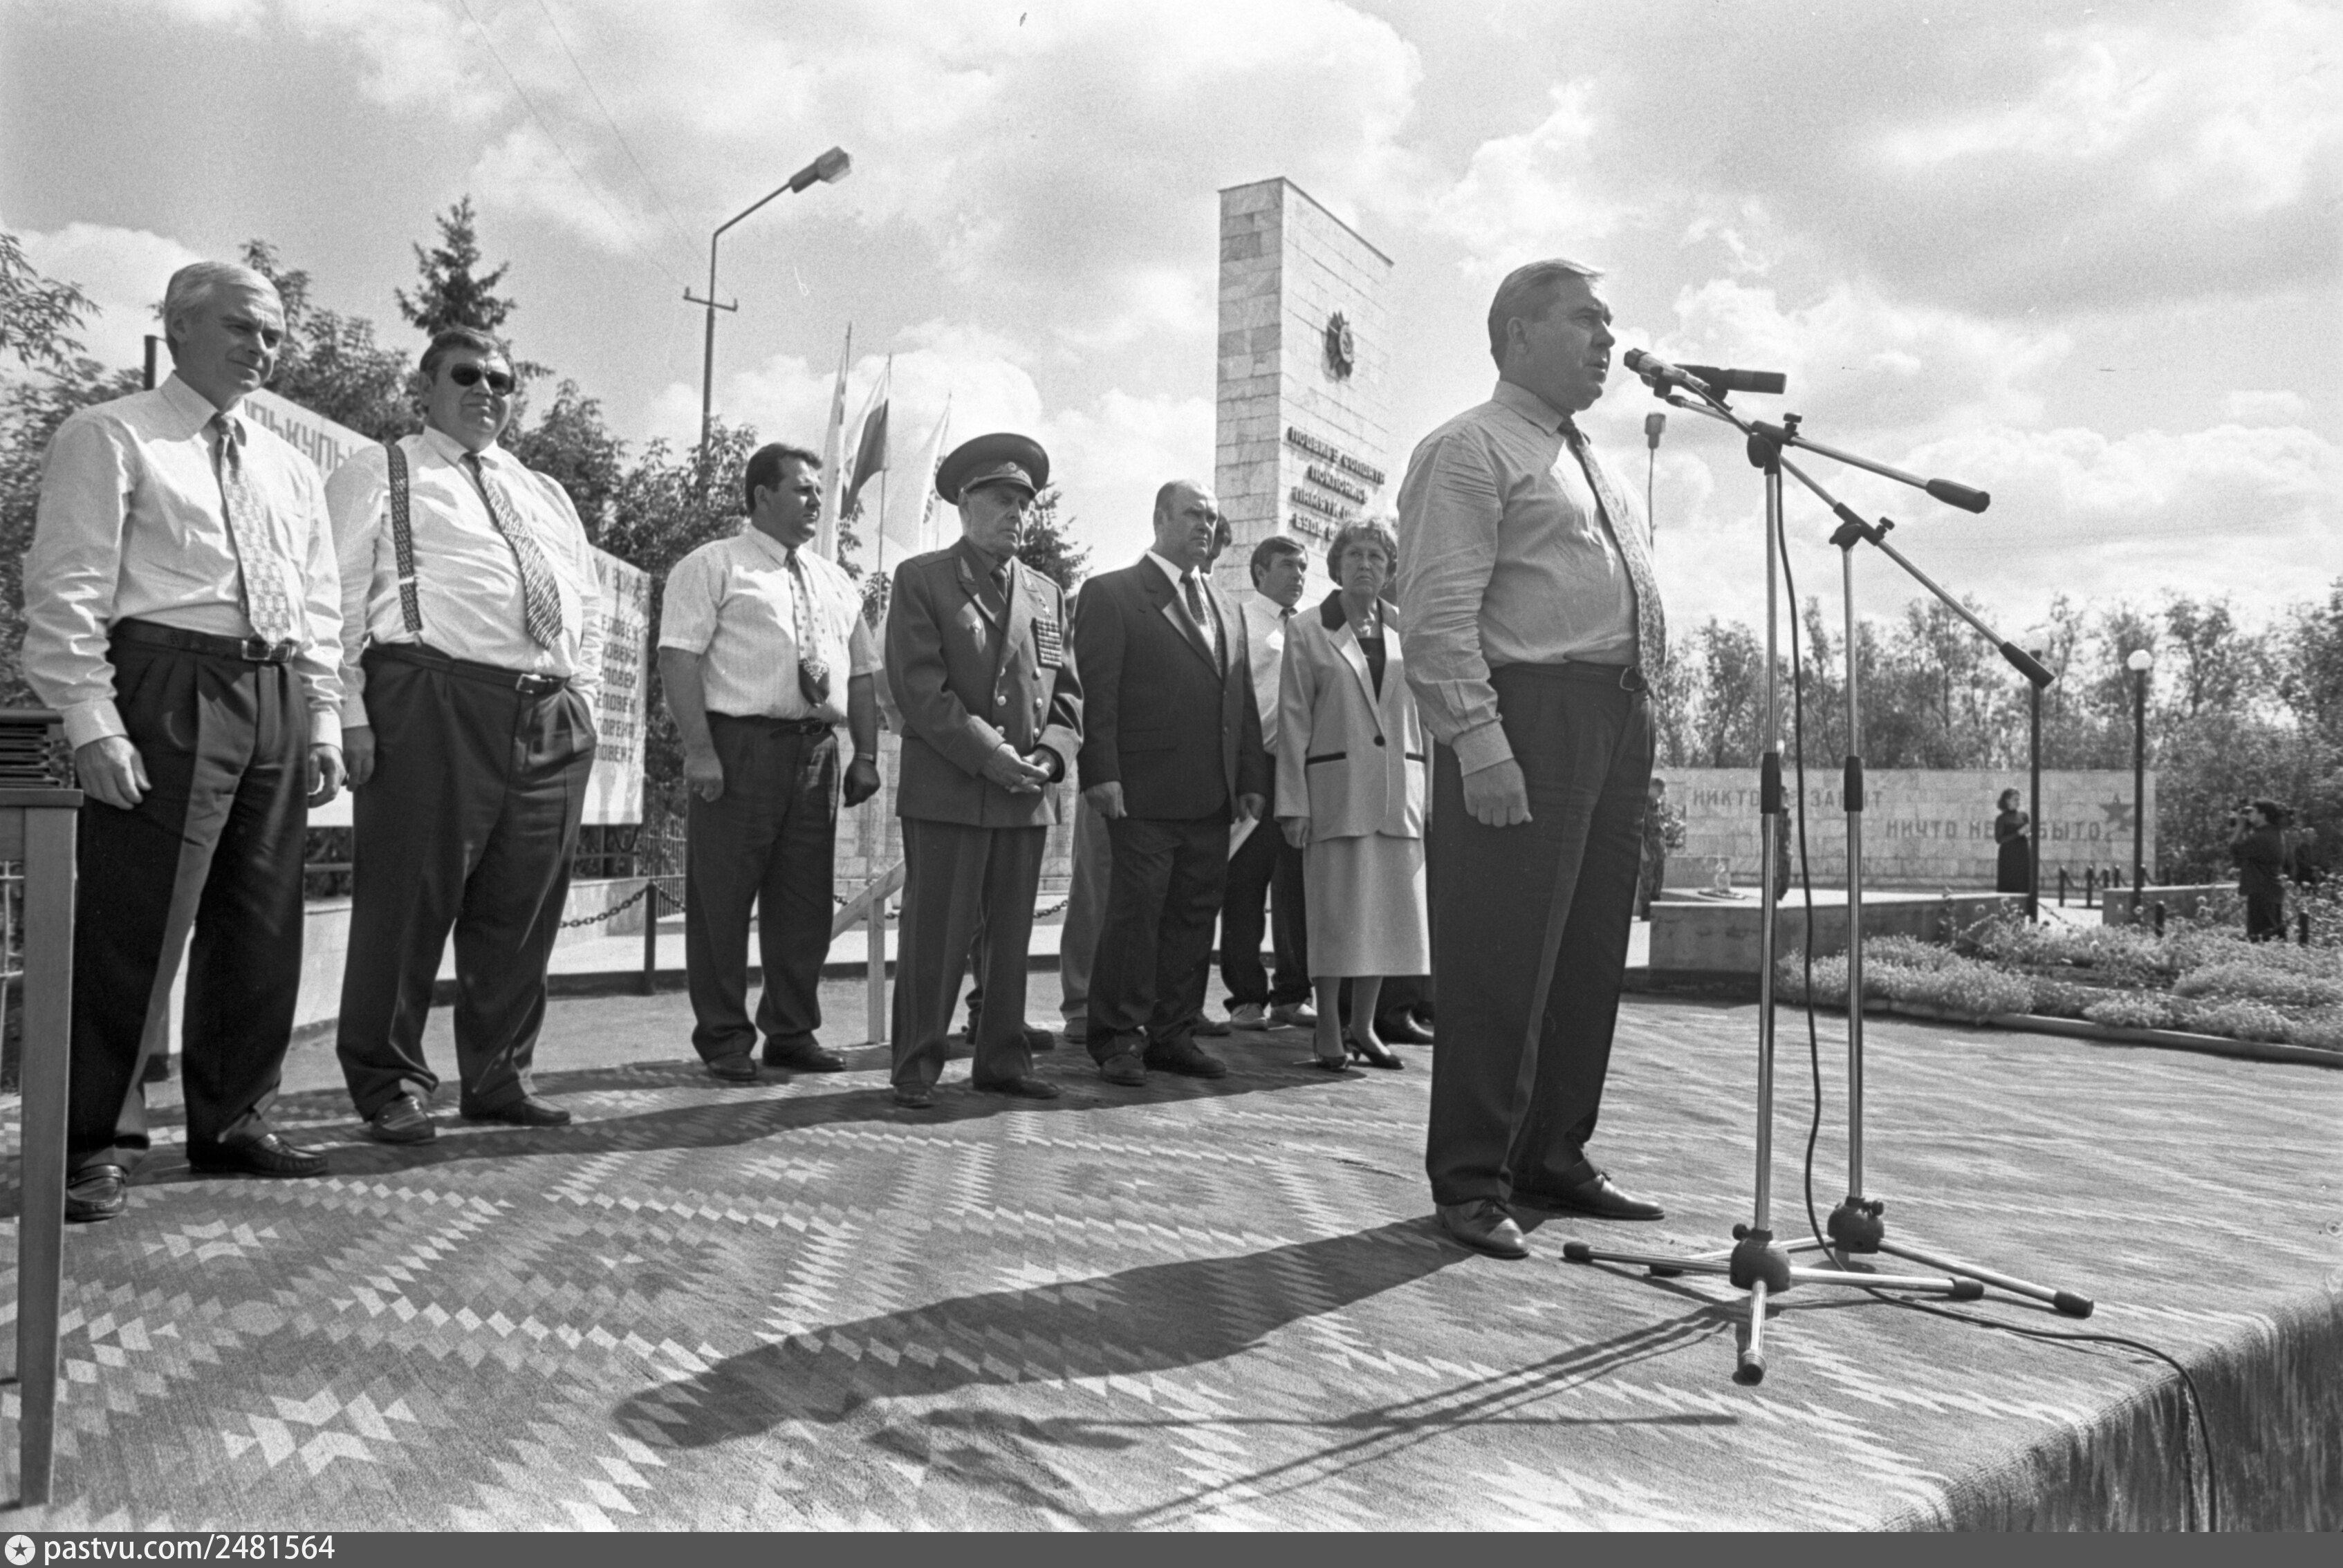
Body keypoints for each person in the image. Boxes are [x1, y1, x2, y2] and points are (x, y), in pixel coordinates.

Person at [24, 261, 346, 1223]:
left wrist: (322, 715)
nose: (263, 348)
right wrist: (92, 721)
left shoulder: (289, 466)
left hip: (274, 690)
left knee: (262, 922)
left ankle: (234, 1117)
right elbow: (68, 590)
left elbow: (318, 601)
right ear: (179, 327)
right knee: (135, 925)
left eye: (275, 334)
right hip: (167, 684)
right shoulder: (111, 434)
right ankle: (92, 1140)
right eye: (244, 327)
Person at [1398, 257, 1668, 1260]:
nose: (1607, 340)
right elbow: (1435, 618)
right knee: (1500, 962)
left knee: (1589, 957)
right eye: (1586, 319)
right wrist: (1480, 744)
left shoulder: (1587, 459)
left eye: (1610, 321)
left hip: (1614, 719)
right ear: (1517, 333)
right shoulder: (1468, 448)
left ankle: (1553, 1152)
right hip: (1526, 717)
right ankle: (1473, 1178)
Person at [326, 328, 604, 1143]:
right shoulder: (382, 469)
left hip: (548, 709)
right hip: (432, 695)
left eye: (503, 380)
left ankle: (499, 1076)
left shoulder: (544, 491)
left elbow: (585, 603)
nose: (487, 389)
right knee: (408, 903)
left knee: (524, 907)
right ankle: (389, 1082)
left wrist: (583, 701)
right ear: (426, 387)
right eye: (467, 374)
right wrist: (346, 711)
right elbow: (334, 596)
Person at [659, 444, 882, 1083]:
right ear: (762, 495)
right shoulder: (713, 565)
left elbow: (861, 673)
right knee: (722, 901)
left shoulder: (836, 580)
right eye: (803, 488)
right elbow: (678, 658)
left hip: (816, 752)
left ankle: (792, 1030)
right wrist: (701, 751)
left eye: (818, 490)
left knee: (803, 904)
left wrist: (865, 754)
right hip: (740, 747)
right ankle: (725, 1038)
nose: (817, 500)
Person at [884, 434, 1082, 1109]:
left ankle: (1001, 1060)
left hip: (1024, 793)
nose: (1016, 514)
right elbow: (919, 688)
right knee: (935, 937)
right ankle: (916, 1067)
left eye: (1024, 503)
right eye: (1001, 499)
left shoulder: (1046, 593)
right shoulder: (923, 578)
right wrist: (987, 752)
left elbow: (1068, 697)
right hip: (951, 787)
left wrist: (1050, 756)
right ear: (964, 504)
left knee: (1010, 940)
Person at [1075, 480, 1269, 1085]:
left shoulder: (1227, 607)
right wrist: (1101, 773)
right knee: (1135, 918)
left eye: (1212, 517)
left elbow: (1240, 699)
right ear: (1160, 519)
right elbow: (1097, 694)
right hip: (1142, 792)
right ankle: (1117, 1039)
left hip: (1211, 796)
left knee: (1193, 918)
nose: (1205, 526)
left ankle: (1173, 1035)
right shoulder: (1113, 593)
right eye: (1193, 515)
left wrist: (1249, 776)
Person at [1277, 521, 1428, 1072]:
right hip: (1334, 793)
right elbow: (1293, 719)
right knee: (1336, 917)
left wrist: (1430, 796)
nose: (1366, 565)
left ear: (1390, 570)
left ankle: (1364, 1026)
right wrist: (1293, 803)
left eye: (1377, 557)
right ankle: (1327, 1028)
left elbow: (1424, 718)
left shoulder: (1405, 628)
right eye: (1355, 555)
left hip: (1398, 793)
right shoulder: (1309, 629)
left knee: (1384, 916)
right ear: (1337, 565)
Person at [1221, 535, 1315, 1031]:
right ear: (1260, 571)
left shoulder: (1310, 628)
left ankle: (1292, 995)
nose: (1298, 575)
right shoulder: (1239, 623)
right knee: (1245, 887)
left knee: (1298, 888)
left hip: (1302, 772)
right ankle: (1246, 998)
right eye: (1288, 566)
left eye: (1303, 567)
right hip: (1257, 770)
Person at [2232, 799, 2293, 942]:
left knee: (2261, 938)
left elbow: (2235, 849)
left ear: (2263, 815)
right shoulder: (2272, 832)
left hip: (2261, 891)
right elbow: (2245, 857)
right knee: (2272, 937)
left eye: (2252, 811)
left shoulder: (2262, 837)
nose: (2249, 814)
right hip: (2269, 889)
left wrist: (2240, 827)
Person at [1636, 776, 1674, 920]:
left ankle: (1656, 911)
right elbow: (1639, 831)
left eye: (1662, 790)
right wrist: (1642, 851)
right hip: (1648, 850)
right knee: (1647, 881)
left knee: (1658, 880)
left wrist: (1664, 849)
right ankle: (1646, 912)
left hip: (1659, 850)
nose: (1661, 793)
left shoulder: (1657, 805)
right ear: (1651, 788)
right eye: (1658, 790)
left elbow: (1661, 829)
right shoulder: (1642, 805)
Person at [1993, 787, 2031, 897]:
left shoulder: (2024, 816)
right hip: (2008, 855)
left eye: (2019, 799)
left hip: (2023, 853)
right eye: (2015, 799)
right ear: (2007, 801)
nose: (2018, 802)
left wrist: (2028, 834)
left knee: (2023, 882)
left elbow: (2028, 833)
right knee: (2008, 883)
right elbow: (1999, 839)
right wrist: (2018, 833)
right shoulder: (2001, 818)